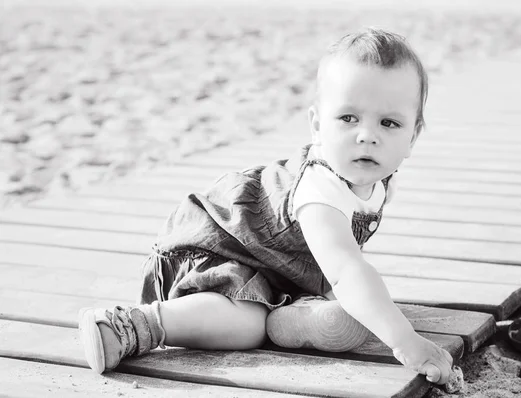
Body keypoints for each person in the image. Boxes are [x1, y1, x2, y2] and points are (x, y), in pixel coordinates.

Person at [78, 27, 454, 385]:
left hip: (269, 269)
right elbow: (346, 270)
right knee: (247, 325)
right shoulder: (320, 189)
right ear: (317, 125)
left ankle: (293, 314)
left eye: (389, 123)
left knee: (316, 306)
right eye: (348, 118)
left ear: (412, 137)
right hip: (209, 253)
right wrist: (405, 340)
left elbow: (335, 256)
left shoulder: (380, 179)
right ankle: (134, 326)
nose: (367, 136)